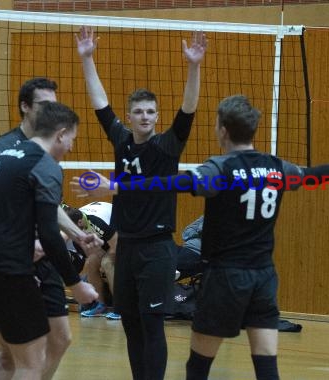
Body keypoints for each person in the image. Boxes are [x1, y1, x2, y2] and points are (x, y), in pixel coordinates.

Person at [71, 94, 329, 379]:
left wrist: (114, 185)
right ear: (254, 129)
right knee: (266, 366)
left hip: (224, 278)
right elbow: (310, 175)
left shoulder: (220, 171)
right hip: (263, 277)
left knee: (198, 366)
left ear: (222, 130)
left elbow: (168, 182)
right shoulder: (276, 168)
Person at [76, 25, 207, 379]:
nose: (145, 116)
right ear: (131, 115)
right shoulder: (122, 141)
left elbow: (189, 110)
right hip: (127, 248)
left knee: (151, 326)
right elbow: (100, 105)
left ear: (157, 116)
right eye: (139, 111)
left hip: (157, 248)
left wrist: (194, 66)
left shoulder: (167, 146)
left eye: (151, 111)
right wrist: (87, 58)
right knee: (131, 325)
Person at [0, 78, 102, 380]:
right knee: (7, 346)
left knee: (59, 338)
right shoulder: (5, 147)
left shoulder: (45, 159)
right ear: (25, 107)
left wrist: (75, 232)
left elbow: (47, 205)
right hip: (11, 260)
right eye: (45, 105)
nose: (51, 109)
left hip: (40, 258)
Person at [63, 202, 120, 320]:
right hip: (105, 237)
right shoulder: (74, 220)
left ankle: (120, 307)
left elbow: (115, 245)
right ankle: (100, 305)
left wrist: (106, 260)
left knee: (107, 263)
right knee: (90, 263)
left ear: (79, 223)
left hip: (120, 234)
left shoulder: (96, 222)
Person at [176, 215, 205, 280]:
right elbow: (185, 234)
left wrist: (198, 230)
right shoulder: (206, 215)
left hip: (197, 253)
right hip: (185, 248)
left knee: (165, 264)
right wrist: (199, 232)